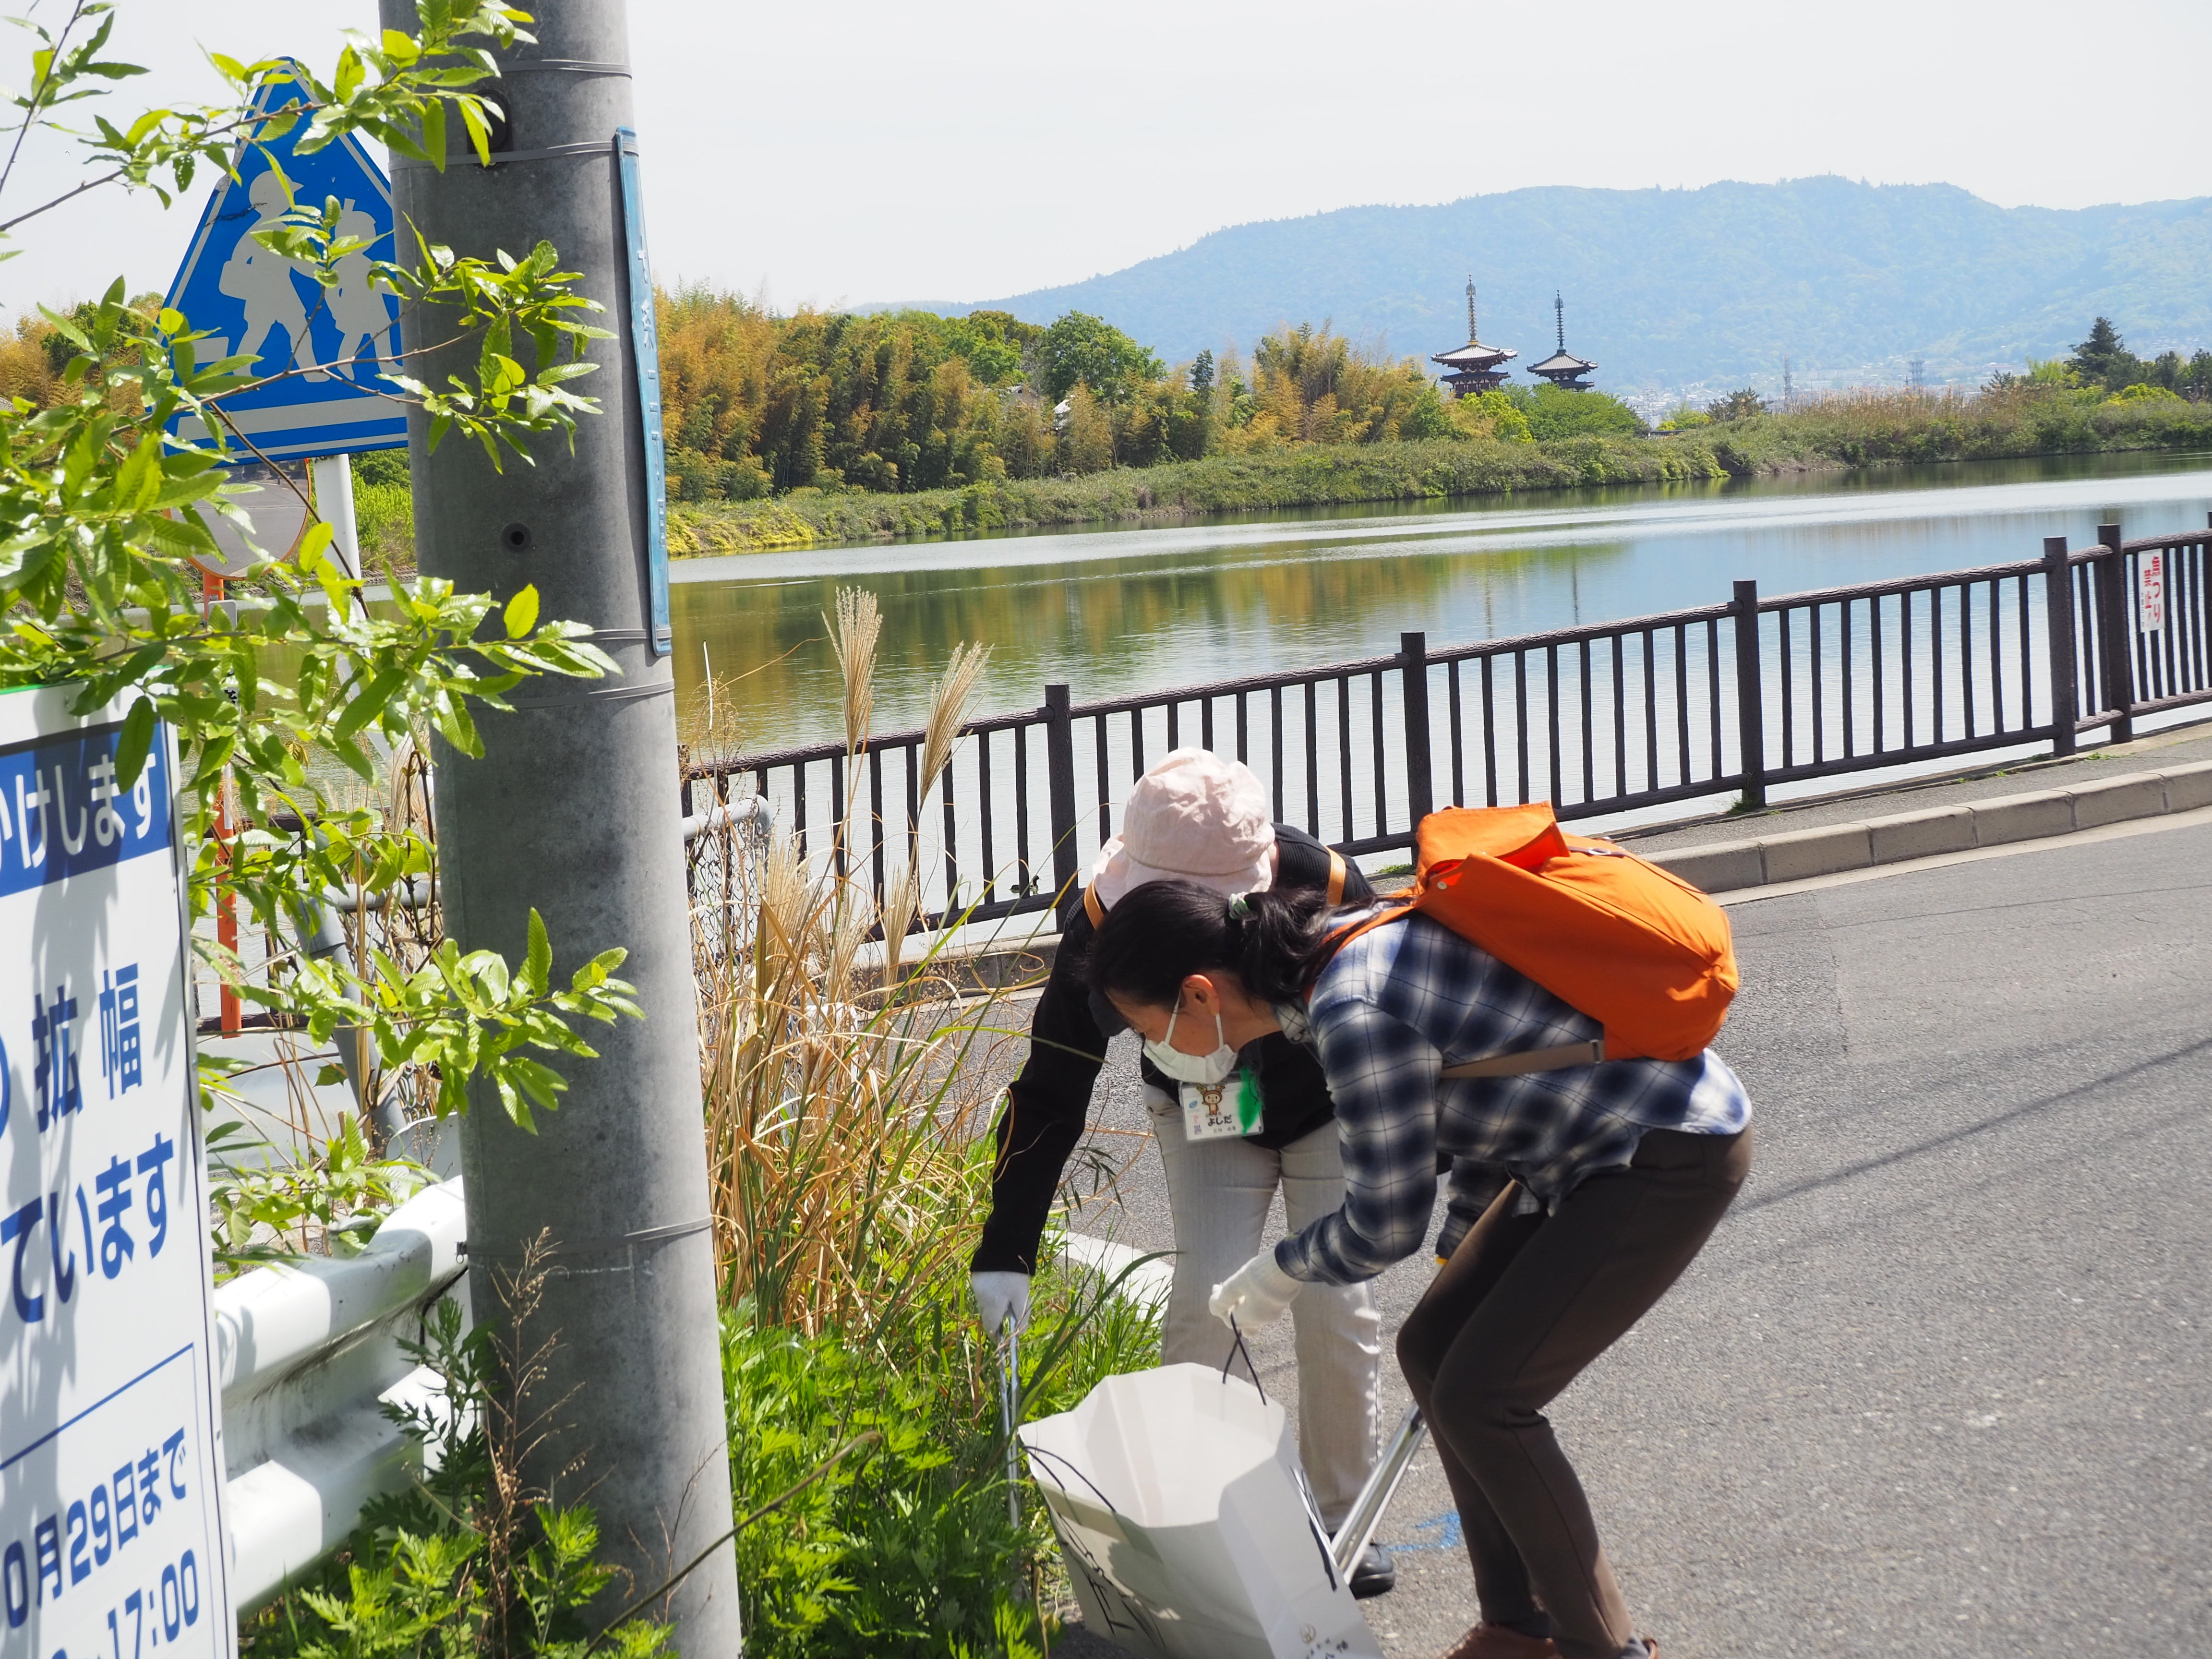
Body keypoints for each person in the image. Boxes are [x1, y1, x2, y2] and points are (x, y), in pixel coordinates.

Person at [1087, 879, 1754, 1659]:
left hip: (1661, 1151)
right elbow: (1488, 1081)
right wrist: (1466, 1238)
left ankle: (1603, 1649)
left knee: (1486, 1398)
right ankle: (1518, 1628)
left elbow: (1385, 1223)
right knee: (1434, 1351)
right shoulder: (1329, 957)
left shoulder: (1347, 1008)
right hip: (1574, 1147)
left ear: (1198, 995)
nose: (1155, 1052)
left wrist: (1280, 1270)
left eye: (1146, 1029)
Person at [969, 747, 1398, 1597]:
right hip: (1214, 1113)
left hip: (1326, 1103)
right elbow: (1052, 1086)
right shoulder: (1100, 927)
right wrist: (1006, 1245)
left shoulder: (1325, 887)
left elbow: (1399, 1026)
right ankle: (1195, 1524)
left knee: (1334, 1300)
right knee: (1207, 1291)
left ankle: (1343, 1523)